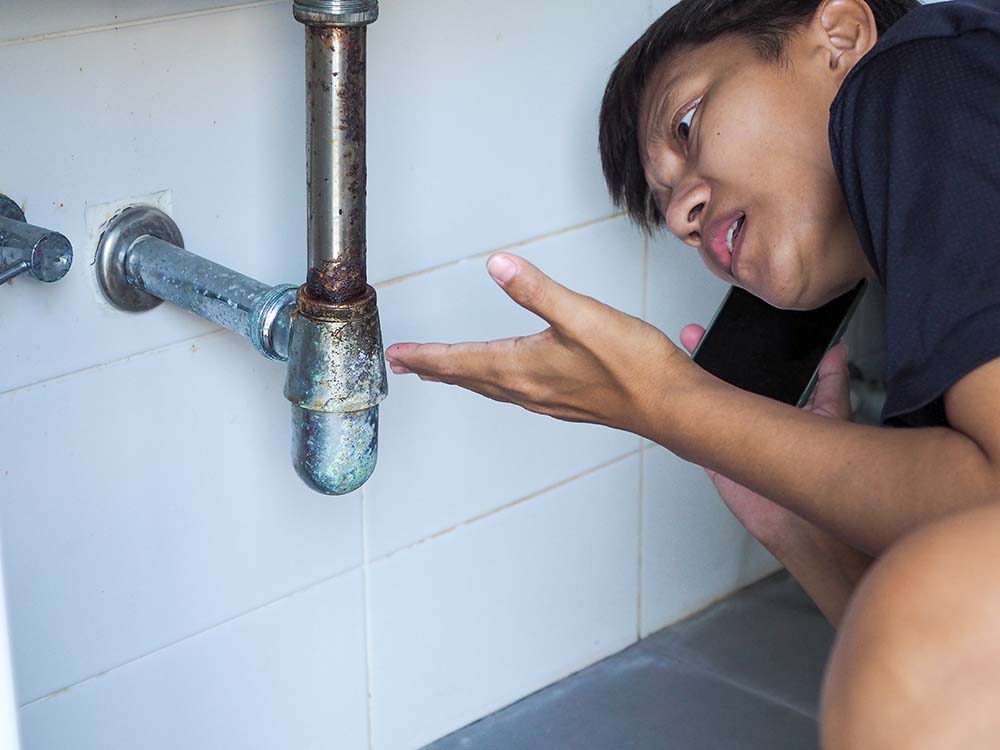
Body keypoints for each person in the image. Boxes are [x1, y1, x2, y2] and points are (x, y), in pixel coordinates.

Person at [386, 0, 1000, 745]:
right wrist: (797, 527)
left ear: (839, 36)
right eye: (667, 205)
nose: (682, 217)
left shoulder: (917, 78)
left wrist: (668, 400)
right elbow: (953, 665)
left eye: (686, 125)